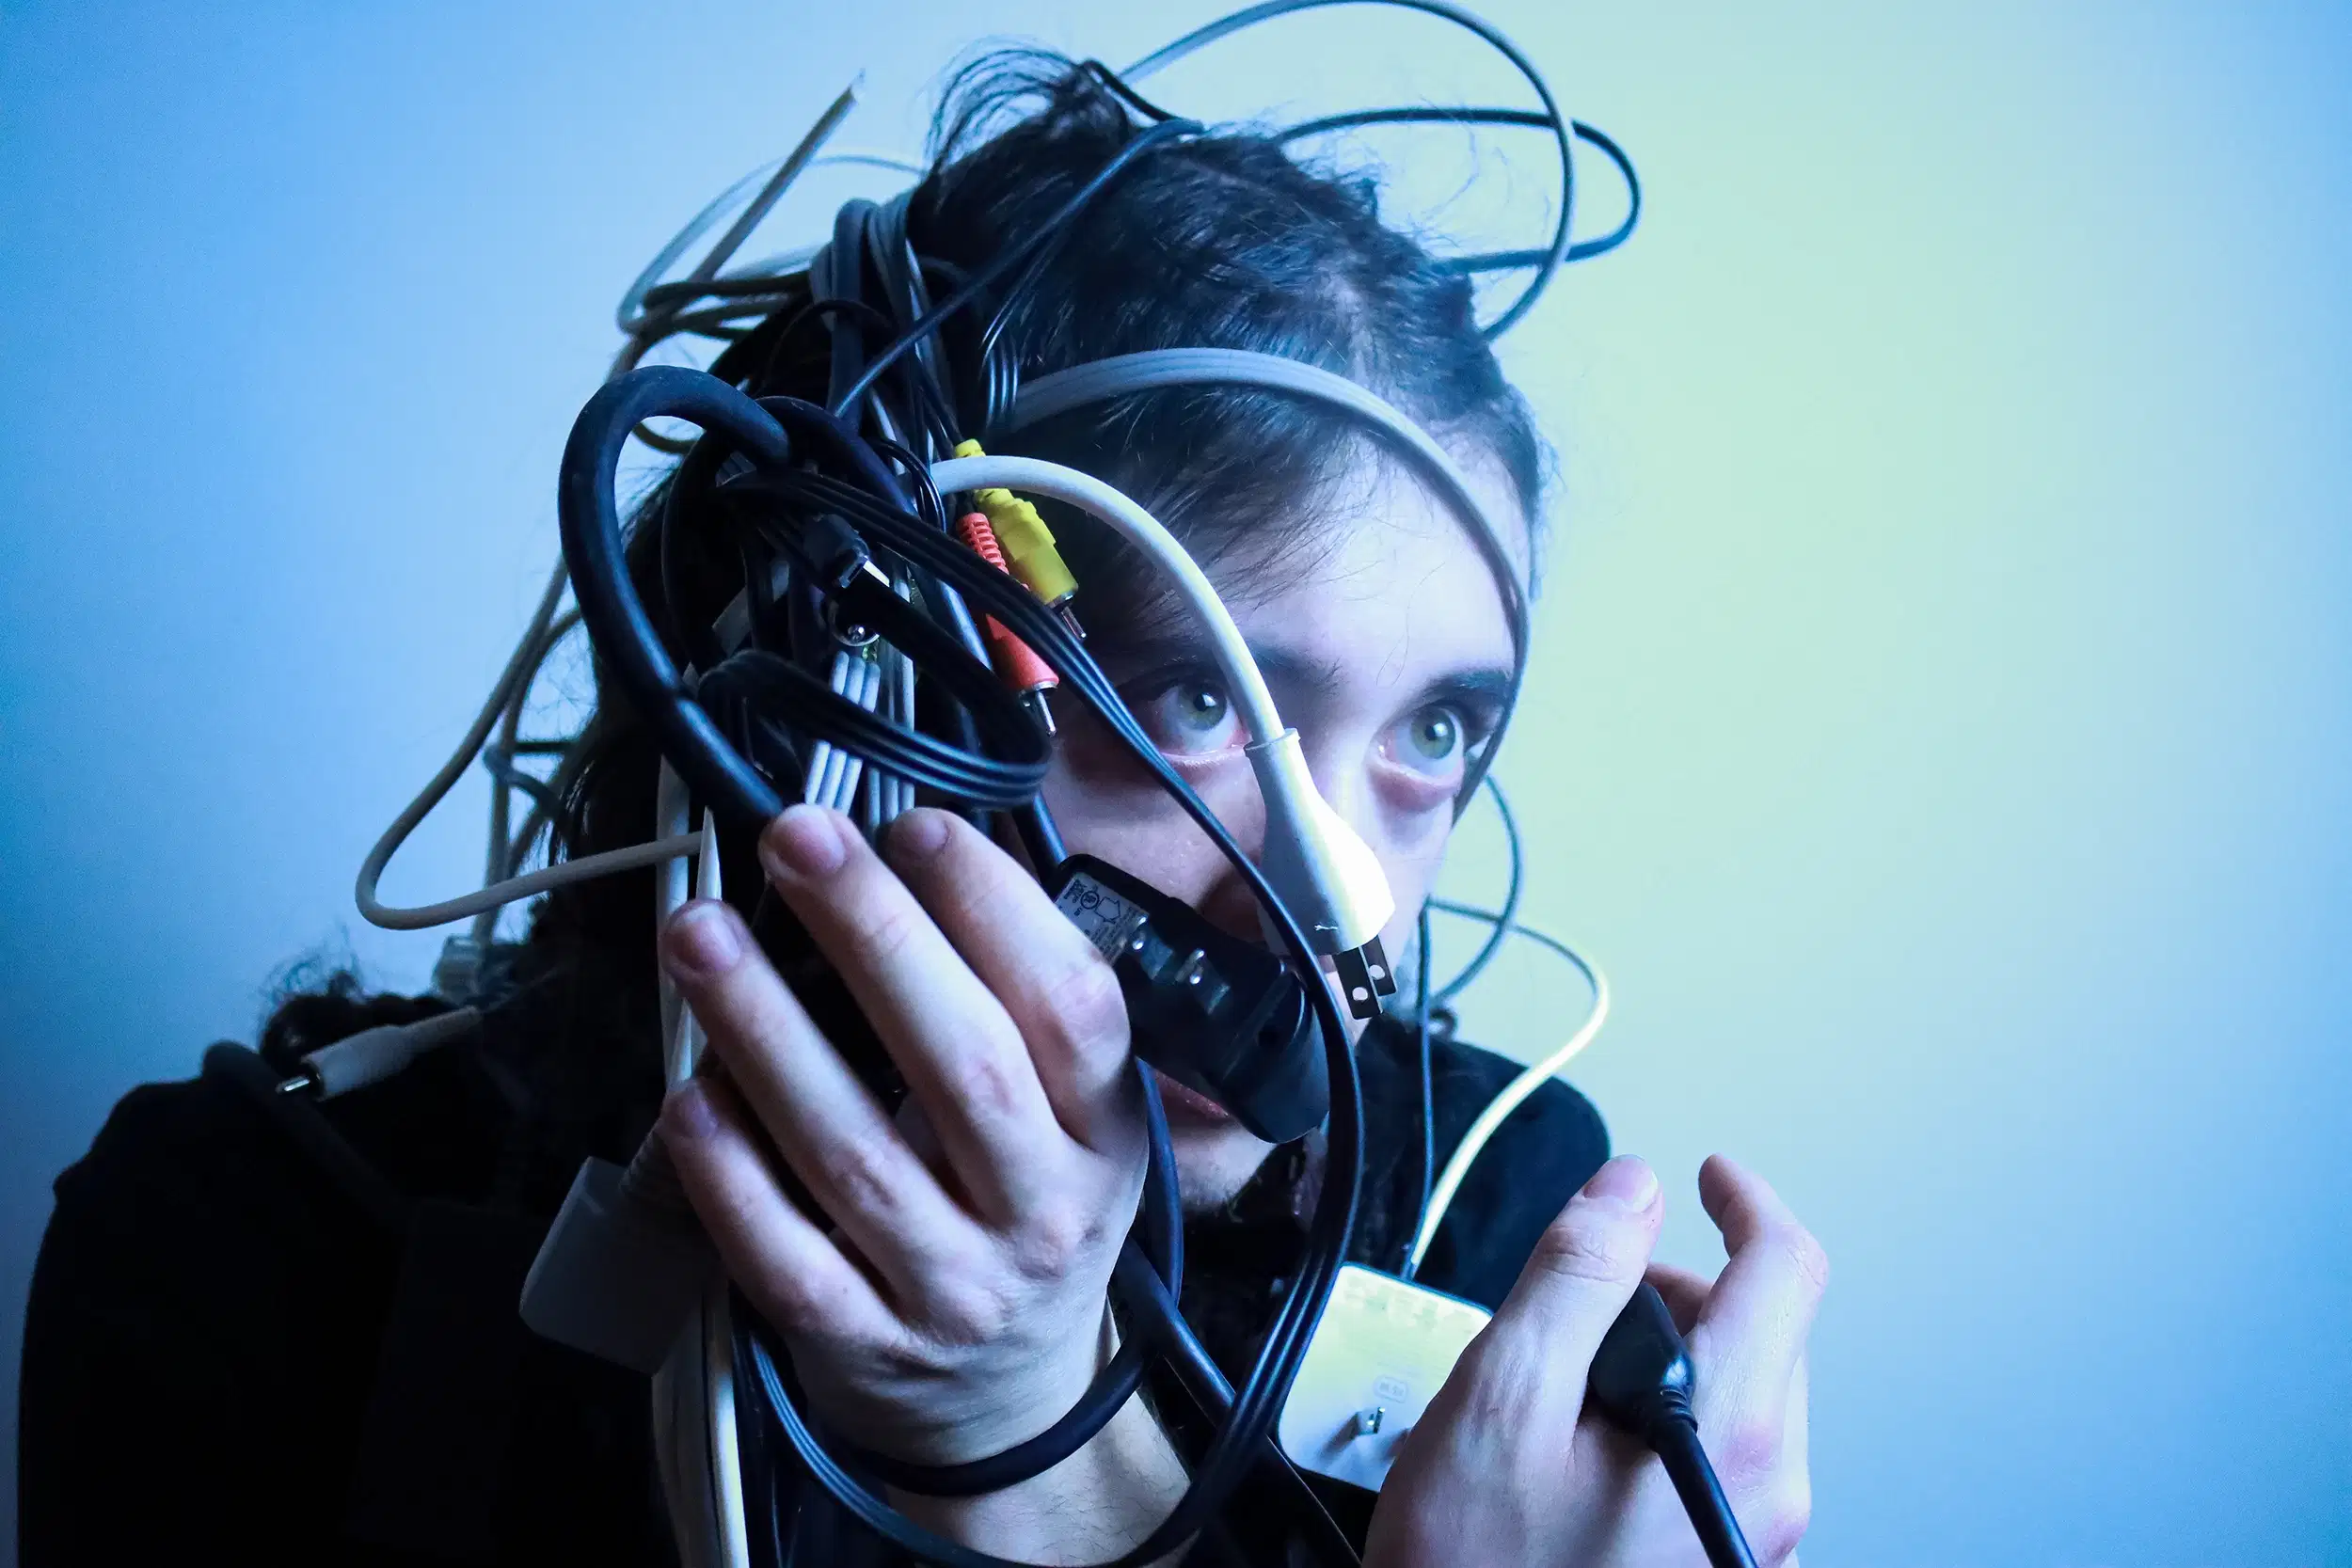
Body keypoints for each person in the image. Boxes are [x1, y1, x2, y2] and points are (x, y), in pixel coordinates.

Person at [18, 50, 1823, 1567]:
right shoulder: (262, 1238)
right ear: (837, 662)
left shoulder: (1495, 1236)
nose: (1341, 905)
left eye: (1431, 737)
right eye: (1190, 695)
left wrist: (1040, 1456)